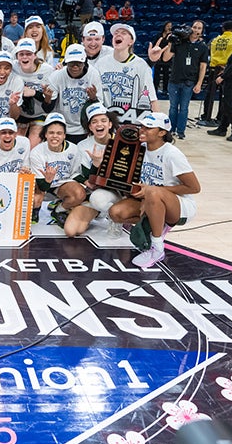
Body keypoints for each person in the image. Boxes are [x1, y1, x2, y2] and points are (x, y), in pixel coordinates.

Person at [109, 112, 201, 269]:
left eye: (148, 128)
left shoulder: (172, 154)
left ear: (162, 133)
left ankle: (157, 248)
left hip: (180, 206)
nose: (142, 130)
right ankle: (152, 224)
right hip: (152, 199)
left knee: (153, 192)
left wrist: (152, 191)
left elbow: (194, 188)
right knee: (116, 213)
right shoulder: (141, 149)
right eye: (142, 126)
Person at [64, 103, 121, 238]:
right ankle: (102, 212)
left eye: (103, 120)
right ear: (90, 127)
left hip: (120, 192)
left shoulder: (122, 143)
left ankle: (117, 217)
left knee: (98, 199)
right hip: (96, 193)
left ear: (110, 124)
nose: (99, 124)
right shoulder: (83, 146)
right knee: (71, 230)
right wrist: (96, 164)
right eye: (94, 122)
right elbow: (88, 179)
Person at [98, 23, 160, 127]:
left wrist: (158, 124)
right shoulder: (101, 63)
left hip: (132, 123)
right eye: (116, 33)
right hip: (108, 124)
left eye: (123, 33)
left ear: (131, 42)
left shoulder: (141, 65)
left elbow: (151, 97)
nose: (118, 35)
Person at [29, 112, 84, 224]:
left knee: (79, 194)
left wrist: (87, 182)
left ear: (64, 135)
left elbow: (75, 173)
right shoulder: (36, 152)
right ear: (45, 134)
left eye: (59, 133)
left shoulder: (74, 149)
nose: (55, 136)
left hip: (61, 185)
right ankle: (35, 210)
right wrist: (48, 180)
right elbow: (41, 186)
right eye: (51, 132)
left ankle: (58, 210)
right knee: (35, 198)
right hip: (42, 185)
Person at [41, 43, 102, 143]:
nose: (75, 67)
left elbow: (99, 109)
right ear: (66, 63)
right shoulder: (56, 76)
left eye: (79, 63)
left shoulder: (93, 74)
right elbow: (47, 109)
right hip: (62, 125)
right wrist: (47, 98)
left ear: (85, 62)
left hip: (84, 127)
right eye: (71, 63)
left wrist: (93, 98)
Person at [159, 21, 209, 139]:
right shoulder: (179, 42)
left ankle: (181, 131)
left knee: (184, 108)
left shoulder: (203, 47)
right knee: (173, 107)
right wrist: (170, 43)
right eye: (195, 27)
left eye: (199, 28)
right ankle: (171, 130)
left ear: (202, 31)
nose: (196, 30)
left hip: (189, 81)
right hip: (175, 80)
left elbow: (203, 66)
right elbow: (165, 58)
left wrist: (199, 83)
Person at [13, 37, 55, 147]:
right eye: (21, 54)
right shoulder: (13, 67)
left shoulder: (47, 70)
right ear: (17, 56)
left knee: (32, 146)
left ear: (35, 55)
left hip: (39, 114)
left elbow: (50, 104)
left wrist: (35, 93)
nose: (25, 57)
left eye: (28, 54)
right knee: (18, 146)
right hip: (20, 114)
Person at [198, 21, 232, 127]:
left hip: (213, 68)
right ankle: (220, 118)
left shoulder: (215, 39)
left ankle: (206, 116)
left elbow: (209, 49)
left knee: (210, 94)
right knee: (224, 95)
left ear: (223, 29)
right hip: (225, 70)